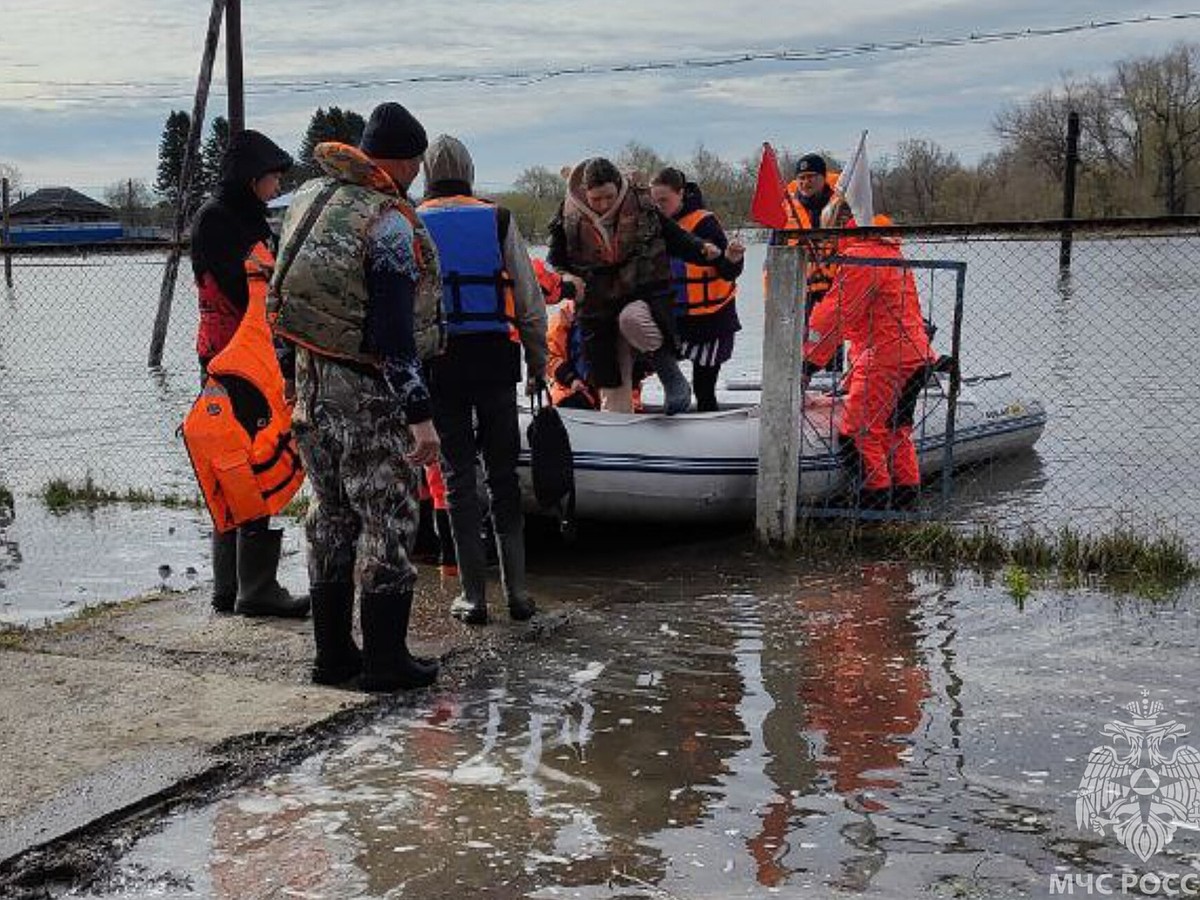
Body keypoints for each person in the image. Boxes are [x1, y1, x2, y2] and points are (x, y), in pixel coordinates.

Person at [270, 102, 444, 691]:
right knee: (387, 517)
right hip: (367, 391)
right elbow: (396, 335)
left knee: (329, 514)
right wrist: (420, 416)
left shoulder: (308, 201)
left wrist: (290, 374)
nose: (417, 174)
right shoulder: (388, 220)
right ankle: (385, 662)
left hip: (311, 382)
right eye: (416, 163)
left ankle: (333, 656)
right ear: (405, 160)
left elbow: (282, 294)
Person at [416, 134, 548, 627]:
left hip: (440, 360)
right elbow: (530, 301)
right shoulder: (498, 218)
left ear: (427, 173)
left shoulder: (413, 221)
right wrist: (538, 361)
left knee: (457, 476)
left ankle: (473, 598)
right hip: (497, 356)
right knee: (502, 474)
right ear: (469, 170)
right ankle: (518, 594)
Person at [188, 129, 309, 619]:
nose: (277, 186)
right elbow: (248, 292)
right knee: (248, 461)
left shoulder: (238, 218)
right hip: (237, 361)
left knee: (231, 462)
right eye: (273, 177)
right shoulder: (221, 221)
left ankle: (231, 586)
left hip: (237, 356)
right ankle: (254, 587)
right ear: (250, 177)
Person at [547, 157, 740, 414]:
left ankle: (670, 375)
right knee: (611, 378)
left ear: (618, 187)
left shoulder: (641, 205)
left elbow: (675, 236)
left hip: (639, 295)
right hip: (597, 308)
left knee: (632, 318)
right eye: (597, 199)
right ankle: (616, 431)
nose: (604, 205)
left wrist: (704, 249)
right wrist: (568, 278)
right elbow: (555, 262)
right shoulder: (568, 216)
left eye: (609, 197)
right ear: (585, 193)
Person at [801, 201, 937, 510]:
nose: (827, 239)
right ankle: (905, 505)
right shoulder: (886, 250)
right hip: (913, 355)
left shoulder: (862, 256)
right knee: (895, 432)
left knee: (857, 435)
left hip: (888, 356)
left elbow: (835, 314)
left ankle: (874, 509)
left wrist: (806, 362)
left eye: (828, 229)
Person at [649, 167, 746, 412]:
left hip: (712, 320)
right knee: (669, 380)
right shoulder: (652, 226)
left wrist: (733, 258)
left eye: (664, 200)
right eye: (654, 201)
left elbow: (727, 271)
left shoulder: (704, 222)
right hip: (674, 320)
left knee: (704, 388)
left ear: (681, 194)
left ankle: (709, 431)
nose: (659, 207)